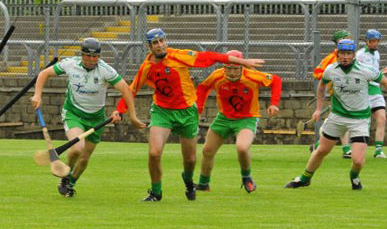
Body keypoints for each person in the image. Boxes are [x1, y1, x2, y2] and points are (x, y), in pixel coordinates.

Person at [113, 29, 264, 202]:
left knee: (191, 159)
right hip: (162, 112)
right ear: (149, 47)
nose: (160, 45)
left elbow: (210, 57)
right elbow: (132, 89)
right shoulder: (146, 67)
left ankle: (188, 181)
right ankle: (156, 192)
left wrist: (242, 61)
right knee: (154, 153)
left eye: (162, 41)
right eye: (155, 43)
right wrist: (120, 110)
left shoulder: (179, 56)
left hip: (186, 112)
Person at [31, 37, 145, 197]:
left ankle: (70, 183)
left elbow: (125, 89)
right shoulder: (70, 64)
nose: (92, 60)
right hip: (74, 113)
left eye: (95, 56)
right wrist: (37, 95)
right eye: (88, 56)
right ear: (82, 54)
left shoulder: (105, 70)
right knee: (77, 147)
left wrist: (130, 115)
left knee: (84, 158)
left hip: (97, 118)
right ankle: (66, 173)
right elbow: (44, 73)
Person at [285, 39, 387, 190]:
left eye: (348, 53)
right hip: (337, 117)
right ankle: (305, 178)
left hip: (359, 119)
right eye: (342, 53)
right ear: (337, 54)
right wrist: (318, 109)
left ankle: (354, 176)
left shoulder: (365, 70)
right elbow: (321, 86)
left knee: (358, 161)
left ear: (354, 55)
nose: (345, 57)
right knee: (321, 150)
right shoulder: (331, 70)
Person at [195, 50, 282, 193]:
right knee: (207, 150)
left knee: (241, 147)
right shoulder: (217, 76)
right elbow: (203, 87)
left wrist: (274, 103)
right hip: (223, 118)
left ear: (242, 67)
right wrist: (198, 110)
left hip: (247, 119)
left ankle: (246, 177)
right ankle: (203, 184)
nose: (231, 72)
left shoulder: (251, 76)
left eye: (235, 68)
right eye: (228, 68)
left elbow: (275, 80)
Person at [311, 30, 352, 159]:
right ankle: (346, 149)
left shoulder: (351, 56)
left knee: (343, 122)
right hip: (337, 93)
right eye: (345, 38)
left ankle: (318, 144)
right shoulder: (330, 59)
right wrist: (329, 78)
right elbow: (317, 72)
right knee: (345, 121)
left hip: (351, 93)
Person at [356, 29, 387, 158]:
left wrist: (383, 71)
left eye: (377, 41)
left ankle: (378, 150)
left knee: (381, 118)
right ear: (366, 41)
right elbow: (358, 72)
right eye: (372, 41)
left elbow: (375, 73)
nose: (375, 43)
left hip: (376, 90)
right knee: (361, 122)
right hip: (364, 91)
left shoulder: (377, 54)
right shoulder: (359, 54)